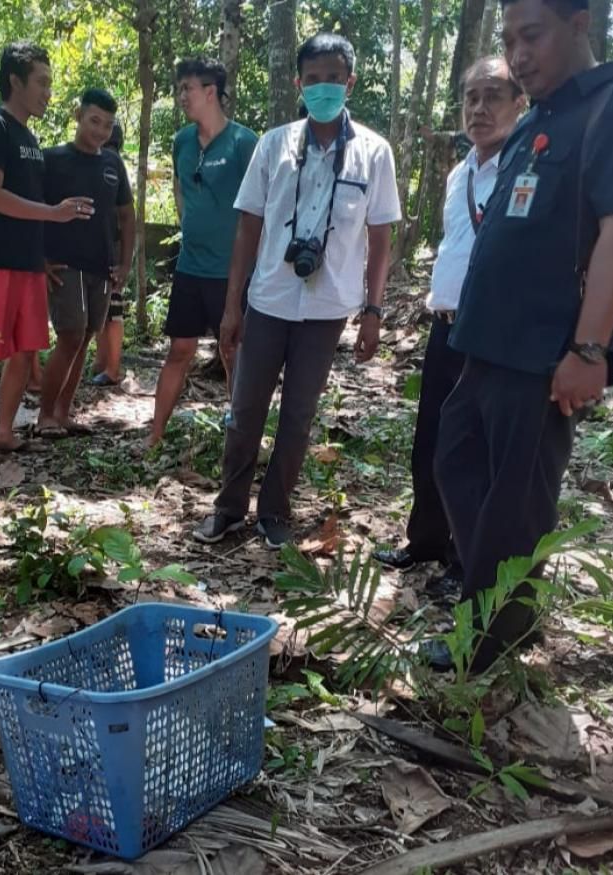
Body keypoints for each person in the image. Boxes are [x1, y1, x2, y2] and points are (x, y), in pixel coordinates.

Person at [430, 0, 613, 672]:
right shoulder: (536, 119)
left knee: (516, 501)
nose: (518, 55)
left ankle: (489, 640)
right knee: (454, 464)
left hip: (543, 352)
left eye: (533, 36)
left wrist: (589, 349)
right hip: (485, 344)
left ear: (579, 25)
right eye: (509, 39)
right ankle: (502, 609)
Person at [194, 33, 401, 550]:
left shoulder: (374, 153)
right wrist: (231, 306)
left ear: (350, 82)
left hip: (328, 308)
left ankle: (275, 512)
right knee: (245, 410)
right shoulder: (274, 144)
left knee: (299, 414)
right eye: (313, 80)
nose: (323, 88)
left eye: (333, 79)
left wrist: (373, 310)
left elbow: (380, 239)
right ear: (298, 84)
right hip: (269, 299)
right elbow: (248, 227)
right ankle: (228, 507)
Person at [374, 58, 525, 598]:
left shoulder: (524, 167)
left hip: (494, 334)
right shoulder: (460, 172)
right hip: (445, 325)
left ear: (518, 103)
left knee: (474, 454)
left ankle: (466, 561)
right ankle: (426, 541)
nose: (480, 109)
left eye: (493, 96)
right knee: (431, 443)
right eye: (471, 98)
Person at [0, 42, 93, 466]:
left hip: (28, 264)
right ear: (16, 81)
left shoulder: (28, 136)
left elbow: (26, 199)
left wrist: (42, 255)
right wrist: (53, 213)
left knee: (25, 350)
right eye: (42, 83)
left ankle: (2, 431)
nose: (49, 92)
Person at [144, 57, 258, 448]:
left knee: (233, 350)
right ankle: (155, 435)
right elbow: (179, 187)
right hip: (191, 267)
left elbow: (260, 207)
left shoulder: (245, 143)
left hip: (232, 272)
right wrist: (187, 220)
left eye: (186, 89)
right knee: (180, 349)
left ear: (211, 92)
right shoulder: (182, 142)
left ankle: (242, 437)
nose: (180, 97)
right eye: (179, 89)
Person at [38, 90, 135, 436]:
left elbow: (127, 216)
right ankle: (45, 415)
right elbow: (31, 213)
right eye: (95, 121)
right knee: (70, 335)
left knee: (86, 337)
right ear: (77, 115)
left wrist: (125, 264)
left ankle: (63, 413)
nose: (101, 131)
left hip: (102, 266)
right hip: (64, 264)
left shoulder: (112, 165)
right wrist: (40, 260)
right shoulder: (51, 160)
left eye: (108, 125)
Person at [92, 121, 128, 387]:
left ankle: (113, 367)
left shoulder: (109, 163)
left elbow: (120, 214)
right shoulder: (111, 162)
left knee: (112, 309)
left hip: (109, 248)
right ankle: (103, 362)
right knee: (104, 309)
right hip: (108, 247)